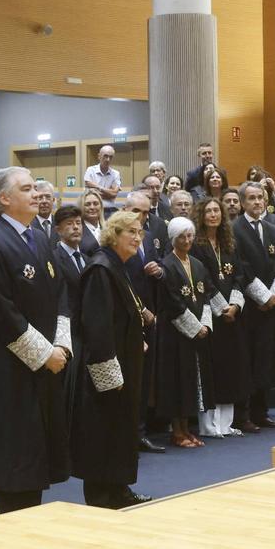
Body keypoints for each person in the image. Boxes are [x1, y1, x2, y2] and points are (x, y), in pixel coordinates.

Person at [0, 166, 72, 514]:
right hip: (11, 368)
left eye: (36, 188)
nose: (36, 194)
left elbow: (61, 293)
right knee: (16, 457)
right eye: (27, 189)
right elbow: (0, 312)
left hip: (46, 364)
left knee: (39, 453)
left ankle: (34, 520)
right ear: (5, 198)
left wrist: (61, 345)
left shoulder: (39, 238)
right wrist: (44, 354)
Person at [70, 210, 151, 508]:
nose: (137, 238)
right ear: (113, 235)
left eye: (140, 232)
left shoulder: (118, 266)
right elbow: (97, 326)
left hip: (125, 363)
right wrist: (109, 376)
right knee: (103, 431)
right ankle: (102, 497)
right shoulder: (101, 269)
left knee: (121, 430)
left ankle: (120, 489)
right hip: (106, 371)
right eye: (131, 231)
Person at [191, 197, 250, 436]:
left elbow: (240, 275)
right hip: (209, 314)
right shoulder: (196, 244)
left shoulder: (229, 242)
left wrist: (235, 305)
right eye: (208, 211)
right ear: (201, 216)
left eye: (217, 210)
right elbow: (201, 278)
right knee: (212, 369)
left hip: (232, 317)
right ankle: (209, 426)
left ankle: (226, 424)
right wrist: (221, 307)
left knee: (230, 368)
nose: (213, 214)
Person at [155, 217, 215, 447]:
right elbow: (172, 302)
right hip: (175, 333)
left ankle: (187, 429)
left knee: (191, 380)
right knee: (176, 380)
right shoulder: (166, 265)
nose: (187, 240)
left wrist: (205, 324)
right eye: (182, 237)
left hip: (197, 332)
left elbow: (206, 294)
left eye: (190, 236)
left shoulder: (197, 264)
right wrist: (195, 328)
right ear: (173, 239)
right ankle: (177, 432)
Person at [234, 183, 275, 430]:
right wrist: (263, 297)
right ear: (242, 202)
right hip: (248, 307)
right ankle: (243, 414)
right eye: (252, 198)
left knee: (266, 358)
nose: (257, 202)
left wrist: (274, 297)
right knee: (246, 359)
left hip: (270, 308)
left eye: (260, 197)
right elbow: (240, 267)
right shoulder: (235, 229)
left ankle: (261, 411)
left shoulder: (273, 229)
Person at [120, 192, 167, 453]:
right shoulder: (115, 240)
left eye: (147, 212)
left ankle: (139, 432)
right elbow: (118, 280)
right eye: (137, 211)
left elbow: (160, 265)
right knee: (126, 379)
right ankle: (124, 435)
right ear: (124, 209)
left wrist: (159, 271)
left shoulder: (147, 238)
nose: (142, 216)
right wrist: (142, 310)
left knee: (144, 379)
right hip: (126, 317)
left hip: (149, 318)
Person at [51, 205, 87, 317]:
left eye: (78, 223)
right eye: (69, 223)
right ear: (58, 230)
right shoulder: (53, 259)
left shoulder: (88, 259)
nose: (75, 227)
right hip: (67, 322)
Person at [83, 145, 122, 217]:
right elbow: (89, 193)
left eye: (111, 157)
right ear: (99, 156)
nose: (108, 159)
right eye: (105, 156)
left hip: (108, 209)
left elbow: (114, 194)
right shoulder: (90, 170)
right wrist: (108, 192)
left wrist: (98, 189)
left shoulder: (116, 174)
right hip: (92, 208)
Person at [79, 189, 104, 256]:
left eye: (95, 204)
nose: (92, 207)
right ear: (81, 207)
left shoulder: (108, 229)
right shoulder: (77, 231)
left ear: (101, 206)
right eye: (87, 204)